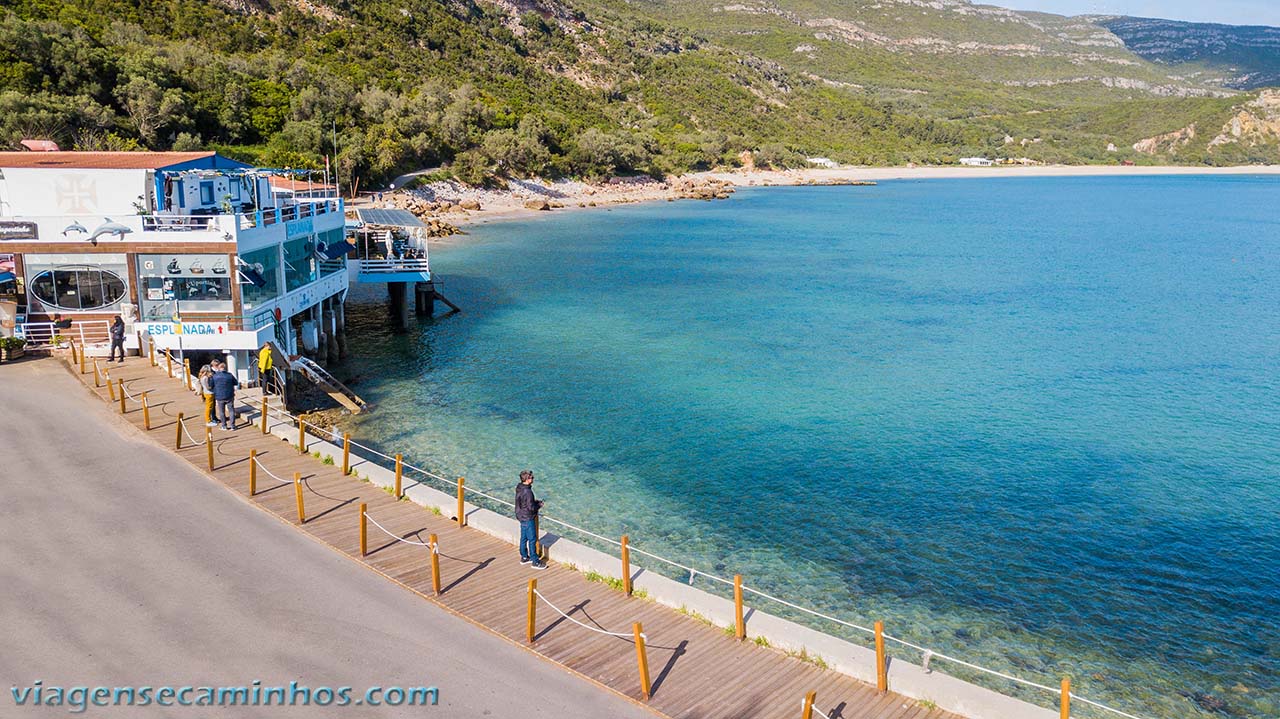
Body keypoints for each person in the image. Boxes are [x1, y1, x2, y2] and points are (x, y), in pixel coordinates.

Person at [515, 470, 546, 569]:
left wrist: (533, 502)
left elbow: (525, 503)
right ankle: (535, 561)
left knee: (523, 538)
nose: (533, 479)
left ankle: (524, 556)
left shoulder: (519, 488)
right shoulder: (528, 492)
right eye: (532, 477)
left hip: (521, 516)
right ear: (527, 479)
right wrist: (539, 505)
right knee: (532, 539)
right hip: (528, 517)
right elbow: (531, 508)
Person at [209, 360, 239, 430]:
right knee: (231, 410)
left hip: (219, 396)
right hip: (229, 395)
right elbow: (236, 383)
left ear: (219, 368)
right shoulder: (229, 375)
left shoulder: (215, 376)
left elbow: (211, 385)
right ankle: (232, 426)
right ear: (225, 368)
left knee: (221, 412)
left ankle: (224, 426)